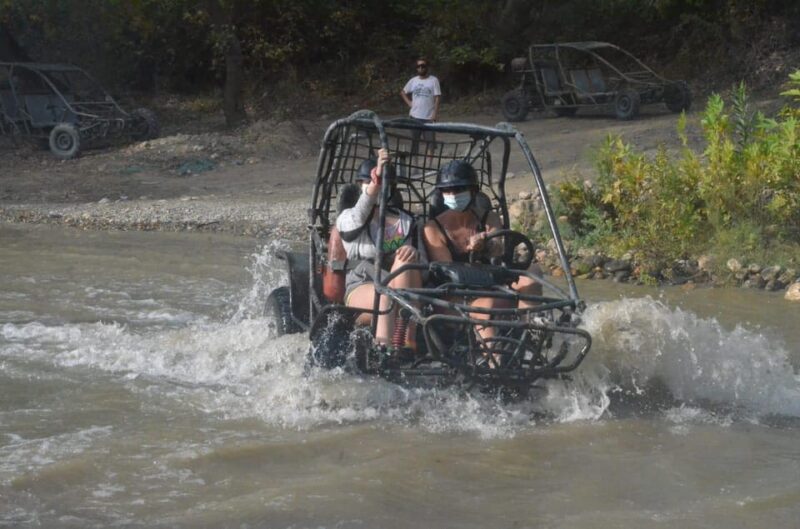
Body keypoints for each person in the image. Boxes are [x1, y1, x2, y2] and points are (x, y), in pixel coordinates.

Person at [422, 160, 541, 363]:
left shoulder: (488, 218)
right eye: (447, 190)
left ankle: (528, 337)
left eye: (459, 189)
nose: (453, 194)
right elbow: (448, 273)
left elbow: (499, 247)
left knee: (532, 275)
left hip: (492, 285)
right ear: (440, 194)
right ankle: (494, 365)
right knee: (485, 307)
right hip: (454, 296)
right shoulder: (432, 228)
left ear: (473, 191)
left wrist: (485, 243)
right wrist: (470, 252)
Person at [336, 148, 423, 350]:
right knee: (386, 296)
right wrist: (375, 184)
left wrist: (413, 253)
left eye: (384, 183)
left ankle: (408, 343)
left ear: (392, 188)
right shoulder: (348, 217)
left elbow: (425, 263)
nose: (377, 186)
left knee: (407, 258)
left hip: (405, 284)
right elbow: (361, 212)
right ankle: (383, 349)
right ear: (360, 186)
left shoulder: (406, 221)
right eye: (367, 183)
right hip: (363, 282)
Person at [400, 57, 441, 159]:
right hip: (415, 116)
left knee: (430, 143)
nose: (421, 68)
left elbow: (437, 97)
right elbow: (403, 92)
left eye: (423, 66)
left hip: (428, 117)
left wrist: (435, 113)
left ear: (427, 67)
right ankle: (415, 166)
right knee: (415, 142)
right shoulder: (413, 81)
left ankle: (429, 166)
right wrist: (409, 102)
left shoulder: (433, 80)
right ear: (416, 68)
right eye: (418, 66)